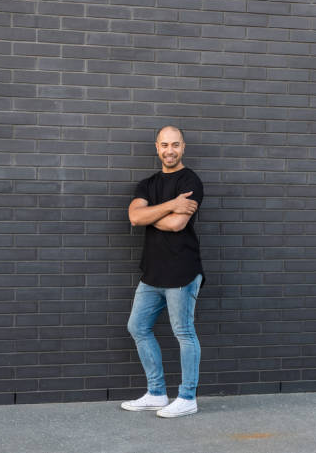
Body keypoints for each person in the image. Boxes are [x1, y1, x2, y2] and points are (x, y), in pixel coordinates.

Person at [120, 125, 205, 418]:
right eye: (165, 145)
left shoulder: (191, 180)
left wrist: (148, 215)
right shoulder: (147, 184)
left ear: (183, 147)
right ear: (157, 147)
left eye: (175, 145)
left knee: (184, 332)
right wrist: (169, 206)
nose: (170, 150)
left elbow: (176, 225)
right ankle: (156, 393)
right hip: (152, 272)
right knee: (138, 327)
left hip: (182, 272)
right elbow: (133, 216)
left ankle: (187, 397)